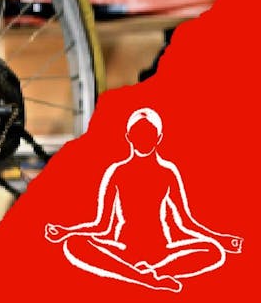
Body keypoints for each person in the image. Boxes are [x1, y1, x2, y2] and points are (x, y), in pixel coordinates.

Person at [45, 107, 243, 292]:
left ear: (158, 137)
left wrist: (221, 240)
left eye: (148, 134)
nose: (143, 139)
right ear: (129, 137)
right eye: (139, 134)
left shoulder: (168, 173)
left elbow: (185, 222)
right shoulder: (118, 172)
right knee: (73, 244)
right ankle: (146, 279)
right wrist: (66, 232)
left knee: (214, 251)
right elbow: (102, 225)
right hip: (125, 249)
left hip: (161, 251)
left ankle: (145, 275)